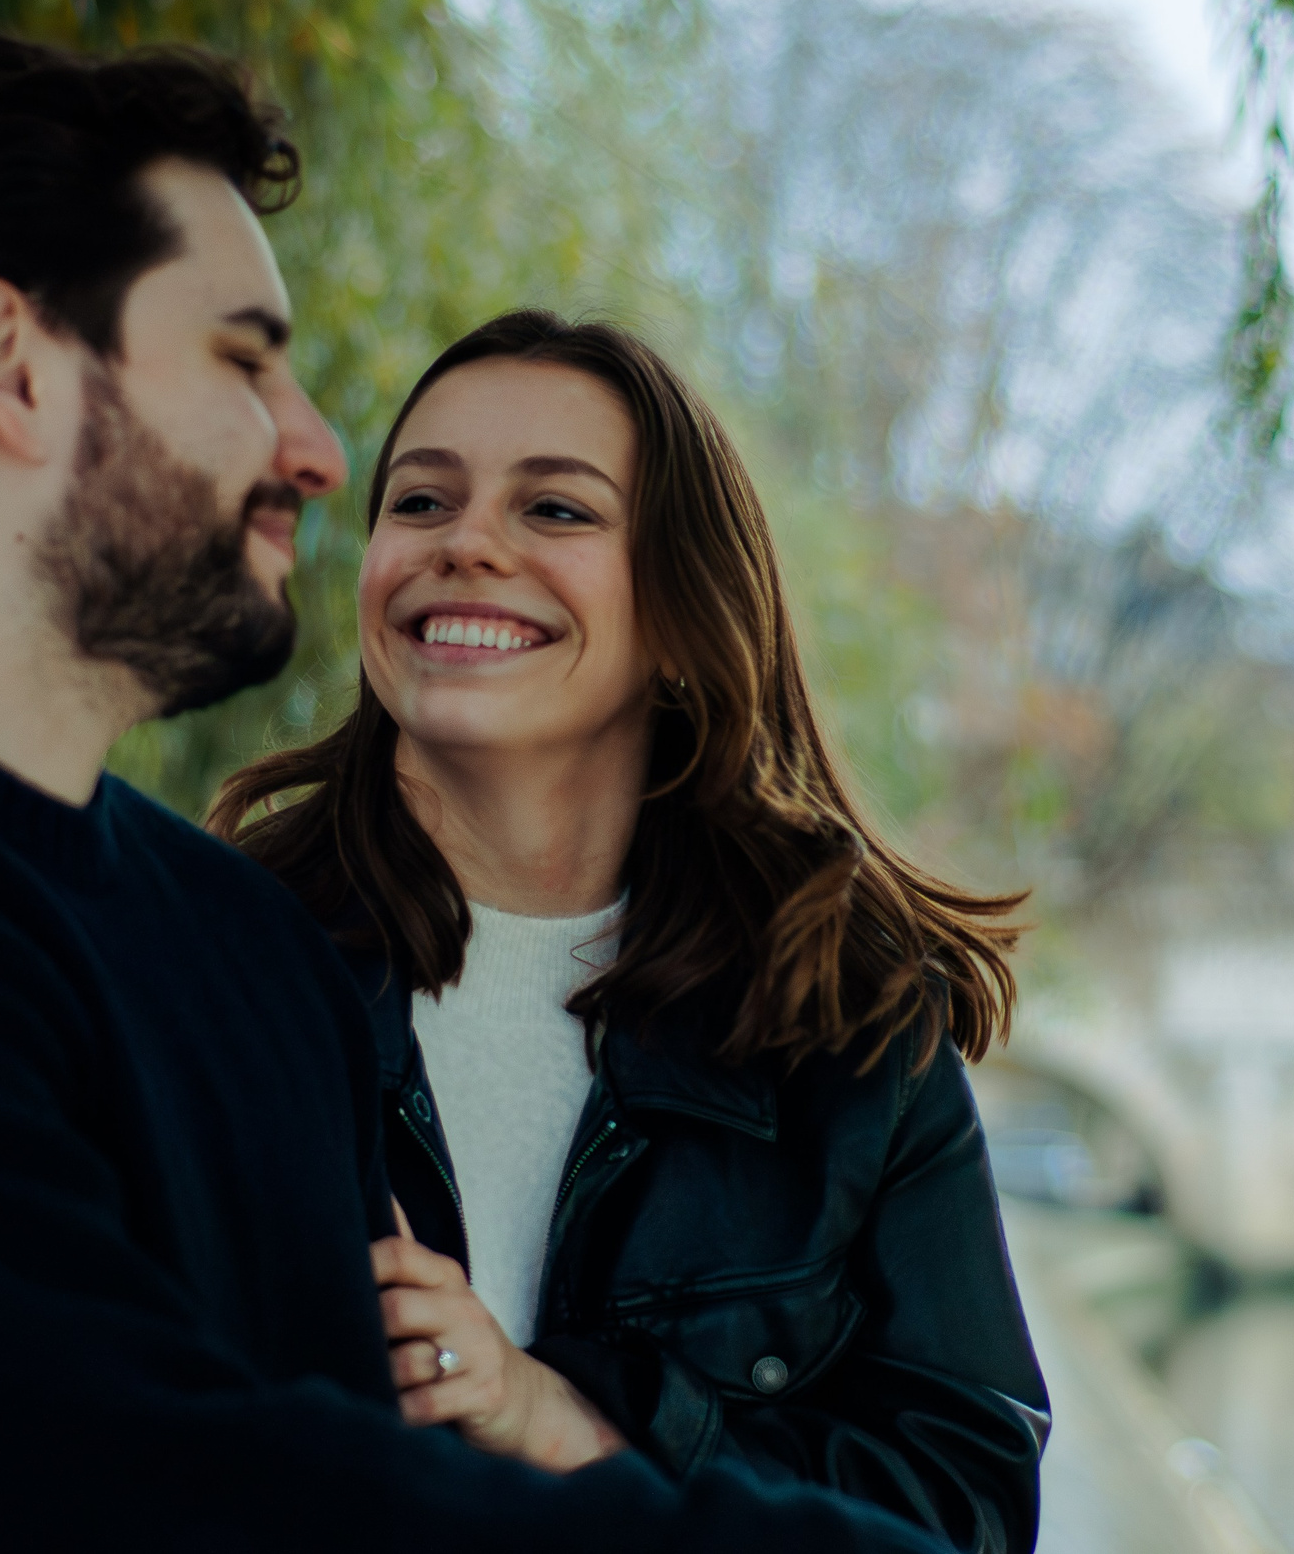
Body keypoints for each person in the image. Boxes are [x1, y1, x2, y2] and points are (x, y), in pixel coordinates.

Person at [0, 32, 953, 1554]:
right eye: (243, 358)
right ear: (12, 366)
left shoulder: (245, 954)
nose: (313, 450)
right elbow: (162, 1501)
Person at [212, 311, 1052, 1551]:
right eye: (421, 501)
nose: (466, 544)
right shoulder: (216, 957)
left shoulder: (850, 1024)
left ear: (678, 612)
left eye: (554, 510)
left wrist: (566, 1422)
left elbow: (965, 1508)